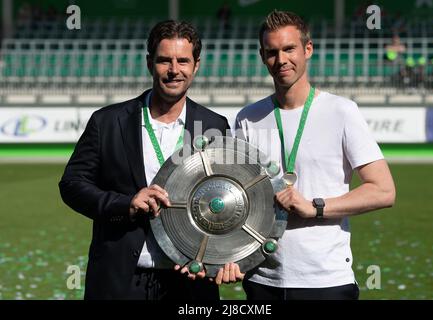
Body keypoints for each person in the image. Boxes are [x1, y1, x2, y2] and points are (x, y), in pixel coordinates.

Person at [59, 20, 230, 300]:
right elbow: (72, 184)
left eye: (183, 61)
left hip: (190, 280)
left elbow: (225, 200)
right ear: (150, 63)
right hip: (121, 281)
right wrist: (126, 204)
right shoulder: (107, 122)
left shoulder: (215, 126)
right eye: (164, 61)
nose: (174, 70)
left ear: (196, 65)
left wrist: (219, 257)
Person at [233, 10, 396, 300]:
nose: (281, 60)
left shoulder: (342, 111)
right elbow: (239, 197)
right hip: (262, 278)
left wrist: (315, 206)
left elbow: (383, 191)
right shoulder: (248, 117)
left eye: (289, 49)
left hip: (325, 280)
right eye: (272, 52)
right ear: (262, 56)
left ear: (308, 49)